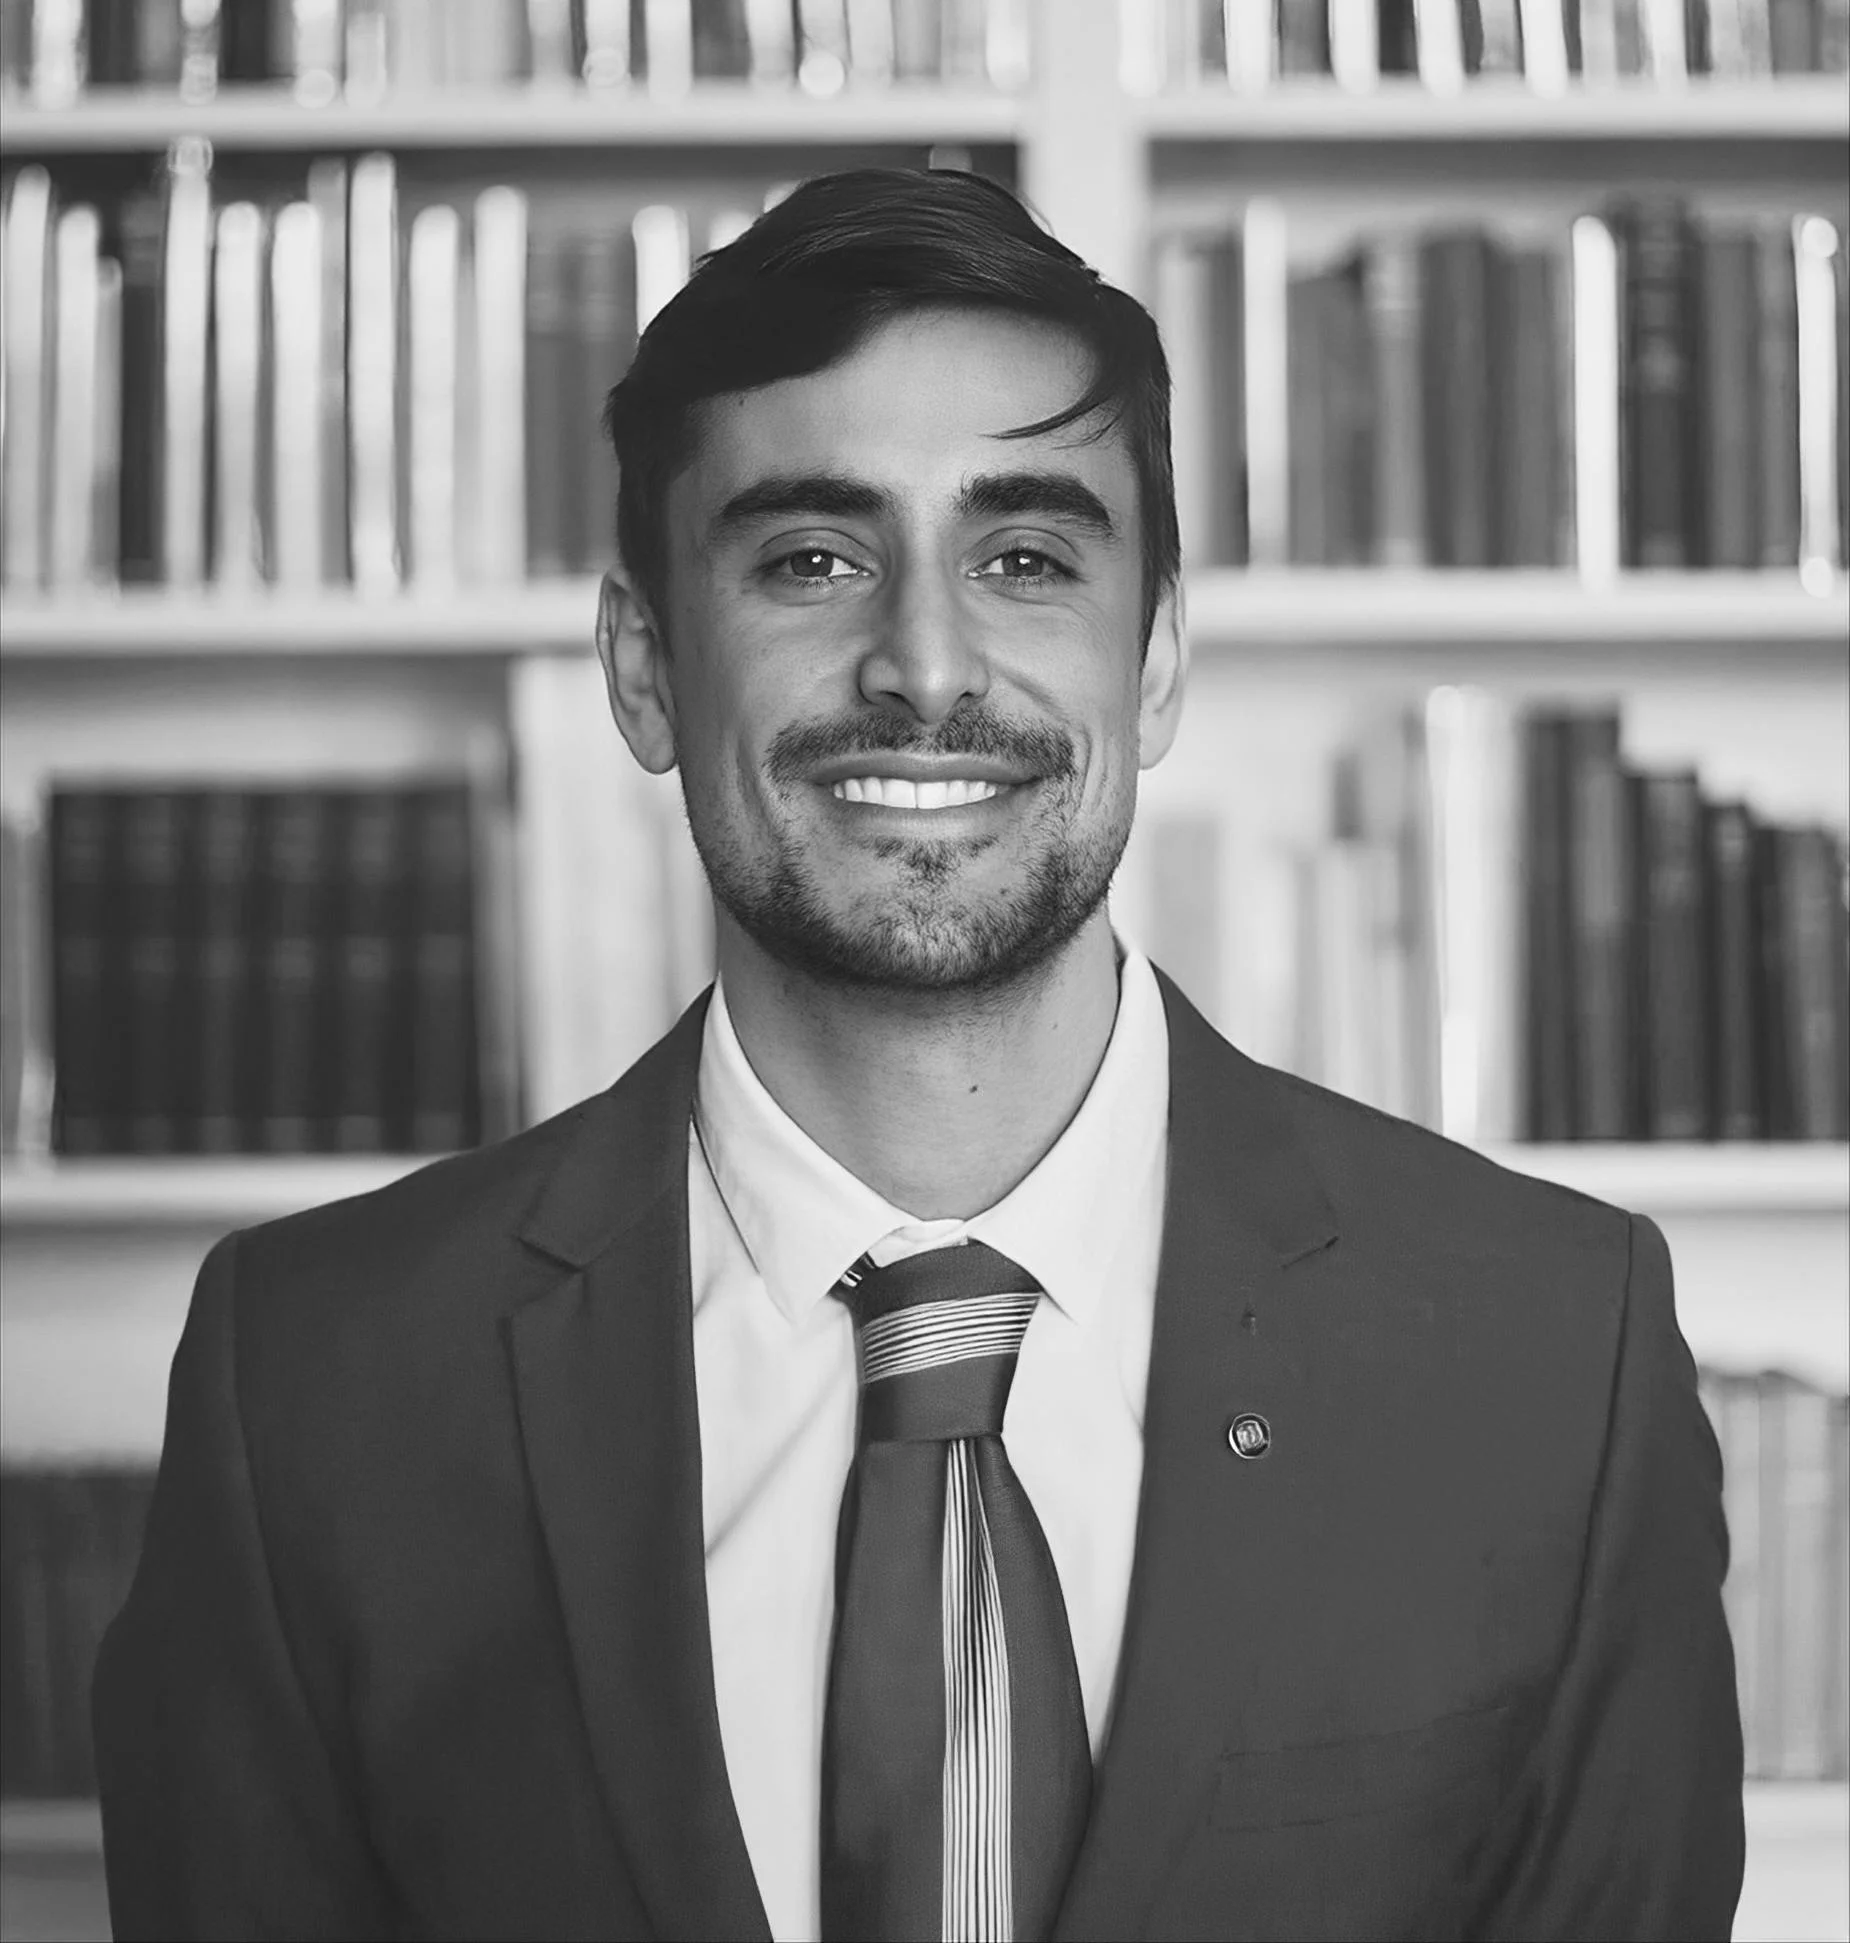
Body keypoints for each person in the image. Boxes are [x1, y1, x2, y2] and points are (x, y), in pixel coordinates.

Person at [92, 167, 1744, 1943]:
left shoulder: (1550, 1356)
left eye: (1024, 558)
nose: (925, 664)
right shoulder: (315, 1389)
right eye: (811, 557)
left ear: (1158, 659)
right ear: (645, 667)